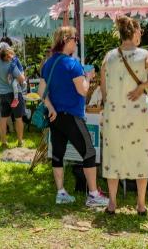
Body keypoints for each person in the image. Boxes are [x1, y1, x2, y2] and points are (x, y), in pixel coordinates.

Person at [101, 17, 148, 215]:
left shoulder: (109, 57)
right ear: (135, 32)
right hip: (138, 113)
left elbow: (103, 88)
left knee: (113, 154)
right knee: (141, 153)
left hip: (115, 112)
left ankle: (112, 203)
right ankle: (140, 203)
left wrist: (110, 102)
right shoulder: (144, 55)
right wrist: (142, 87)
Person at [38, 26, 109, 207]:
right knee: (89, 153)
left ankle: (61, 192)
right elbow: (83, 90)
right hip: (72, 115)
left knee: (58, 154)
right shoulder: (73, 64)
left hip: (55, 117)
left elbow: (41, 91)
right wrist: (88, 76)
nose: (76, 43)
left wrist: (51, 108)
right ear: (67, 41)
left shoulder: (49, 63)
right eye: (75, 40)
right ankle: (93, 195)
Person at [0, 46, 26, 148]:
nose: (12, 56)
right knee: (18, 118)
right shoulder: (11, 65)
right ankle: (20, 141)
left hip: (2, 94)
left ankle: (3, 141)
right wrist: (23, 74)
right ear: (7, 56)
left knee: (3, 118)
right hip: (14, 94)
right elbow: (21, 79)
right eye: (11, 54)